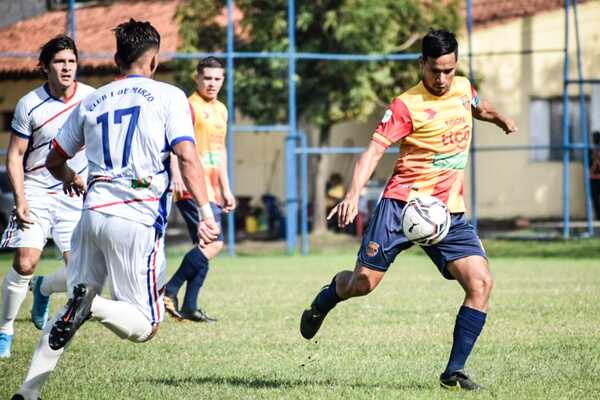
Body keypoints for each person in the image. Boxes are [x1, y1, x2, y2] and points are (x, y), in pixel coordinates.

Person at [10, 19, 220, 400]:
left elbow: (54, 161)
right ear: (153, 61)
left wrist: (73, 177)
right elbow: (187, 155)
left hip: (91, 215)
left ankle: (27, 393)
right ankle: (94, 306)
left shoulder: (91, 98)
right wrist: (206, 213)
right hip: (136, 218)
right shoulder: (170, 96)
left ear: (115, 59)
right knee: (146, 326)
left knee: (71, 304)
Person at [299, 29, 518, 391]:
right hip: (401, 207)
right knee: (362, 284)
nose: (442, 78)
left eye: (449, 70)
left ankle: (454, 370)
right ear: (421, 64)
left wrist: (499, 119)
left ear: (456, 65)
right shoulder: (406, 105)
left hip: (446, 212)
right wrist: (353, 195)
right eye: (435, 70)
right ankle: (323, 302)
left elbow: (478, 107)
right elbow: (372, 152)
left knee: (480, 283)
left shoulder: (463, 88)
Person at [0, 35, 94, 358]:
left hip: (74, 194)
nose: (67, 68)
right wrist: (21, 199)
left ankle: (42, 289)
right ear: (45, 67)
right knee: (25, 260)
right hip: (38, 190)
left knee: (79, 277)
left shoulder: (92, 99)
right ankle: (5, 331)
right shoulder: (29, 104)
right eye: (59, 62)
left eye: (71, 61)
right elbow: (15, 155)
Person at [163, 56, 235, 323]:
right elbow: (175, 141)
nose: (212, 83)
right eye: (207, 78)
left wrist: (226, 188)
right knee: (215, 242)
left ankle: (191, 306)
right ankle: (169, 289)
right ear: (197, 78)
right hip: (192, 185)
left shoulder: (222, 110)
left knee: (203, 245)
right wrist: (175, 173)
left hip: (212, 188)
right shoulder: (189, 106)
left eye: (217, 79)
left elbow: (221, 149)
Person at [590, 131, 600, 219]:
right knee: (595, 199)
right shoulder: (590, 151)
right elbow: (591, 168)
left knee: (596, 199)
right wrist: (595, 159)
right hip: (593, 178)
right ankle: (598, 216)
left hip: (595, 178)